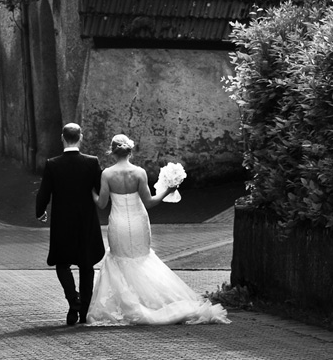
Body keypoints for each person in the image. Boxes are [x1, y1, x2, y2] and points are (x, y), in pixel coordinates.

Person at [86, 134, 230, 326]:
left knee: (120, 259)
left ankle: (128, 303)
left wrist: (91, 192)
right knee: (141, 258)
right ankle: (152, 302)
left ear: (112, 151)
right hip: (138, 221)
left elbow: (102, 204)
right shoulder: (139, 173)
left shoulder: (107, 174)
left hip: (118, 222)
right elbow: (149, 202)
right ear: (130, 150)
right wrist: (167, 191)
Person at [35, 122, 106, 325]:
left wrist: (40, 213)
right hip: (86, 221)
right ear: (81, 137)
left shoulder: (53, 164)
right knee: (86, 265)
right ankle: (84, 310)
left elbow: (44, 193)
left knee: (62, 263)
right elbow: (101, 189)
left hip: (62, 222)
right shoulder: (92, 162)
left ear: (62, 138)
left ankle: (73, 302)